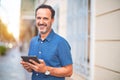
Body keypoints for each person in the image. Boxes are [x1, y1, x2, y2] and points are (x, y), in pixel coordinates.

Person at [21, 4, 73, 80]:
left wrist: (46, 69)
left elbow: (69, 71)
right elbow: (33, 70)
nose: (41, 22)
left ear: (52, 20)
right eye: (39, 18)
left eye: (45, 18)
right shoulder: (33, 41)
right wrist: (28, 67)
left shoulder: (61, 42)